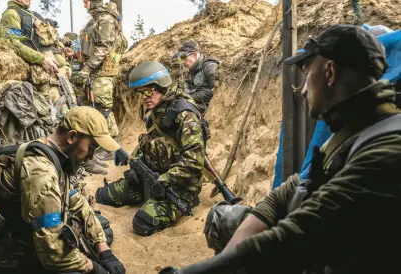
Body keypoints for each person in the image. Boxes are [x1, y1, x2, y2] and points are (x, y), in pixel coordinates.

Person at [160, 24, 401, 274]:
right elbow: (288, 192)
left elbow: (299, 234)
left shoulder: (386, 148)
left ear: (329, 73)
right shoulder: (352, 129)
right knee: (223, 218)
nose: (304, 89)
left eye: (307, 76)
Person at [0, 106, 126, 274]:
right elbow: (53, 252)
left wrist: (104, 250)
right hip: (12, 257)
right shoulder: (41, 172)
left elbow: (76, 201)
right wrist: (93, 267)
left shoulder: (51, 154)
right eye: (92, 147)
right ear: (72, 136)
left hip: (30, 238)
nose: (91, 156)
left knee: (101, 229)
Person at [95, 61, 205, 236]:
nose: (144, 97)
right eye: (140, 93)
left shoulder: (185, 114)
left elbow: (194, 162)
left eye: (148, 91)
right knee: (102, 196)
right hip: (151, 177)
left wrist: (165, 180)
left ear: (161, 86)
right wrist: (135, 160)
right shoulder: (156, 110)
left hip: (177, 187)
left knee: (143, 223)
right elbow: (152, 141)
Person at [70, 0, 127, 174]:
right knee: (94, 109)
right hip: (95, 72)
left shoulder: (105, 19)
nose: (84, 4)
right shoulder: (95, 20)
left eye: (85, 0)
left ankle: (108, 147)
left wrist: (86, 69)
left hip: (101, 74)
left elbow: (103, 48)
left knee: (102, 109)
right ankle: (97, 150)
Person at [0, 0, 74, 120]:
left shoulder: (34, 15)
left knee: (69, 114)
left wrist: (64, 64)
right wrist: (41, 59)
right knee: (52, 120)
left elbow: (50, 45)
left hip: (56, 77)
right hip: (40, 78)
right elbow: (13, 44)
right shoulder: (11, 15)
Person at [173, 40, 219, 116]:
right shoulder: (190, 70)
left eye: (184, 57)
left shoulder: (209, 67)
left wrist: (189, 97)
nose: (183, 62)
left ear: (194, 55)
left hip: (206, 112)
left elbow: (216, 91)